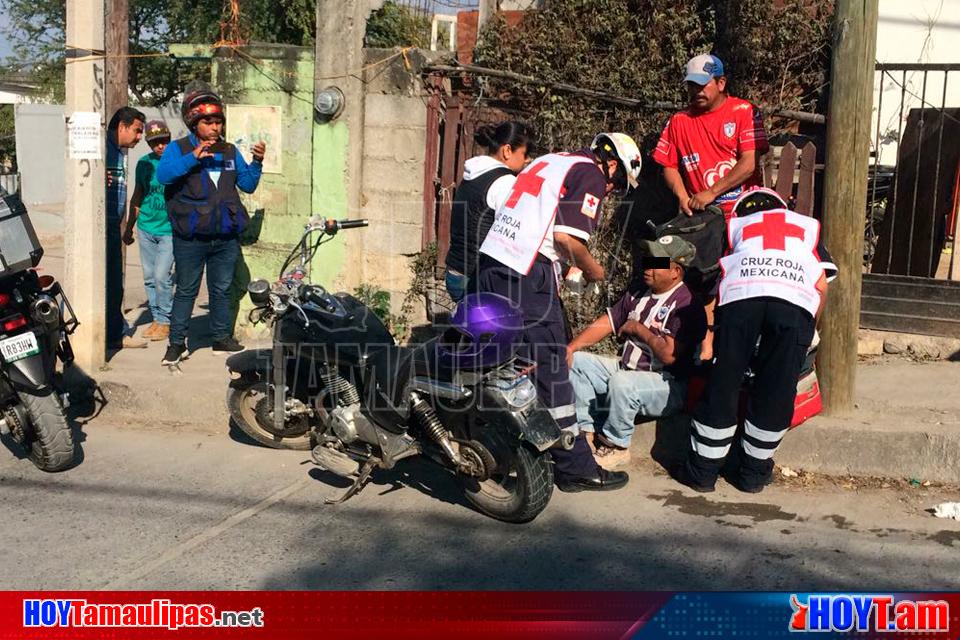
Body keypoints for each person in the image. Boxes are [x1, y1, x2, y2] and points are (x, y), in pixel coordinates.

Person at [477, 132, 642, 492]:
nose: (610, 190)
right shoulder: (591, 173)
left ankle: (514, 445)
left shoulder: (549, 160)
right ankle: (574, 467)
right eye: (616, 184)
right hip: (524, 272)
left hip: (493, 263)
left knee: (513, 364)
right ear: (612, 164)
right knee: (551, 365)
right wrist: (595, 269)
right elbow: (568, 239)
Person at [671, 187, 837, 494]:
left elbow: (718, 283)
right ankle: (753, 475)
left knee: (724, 383)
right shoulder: (804, 228)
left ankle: (702, 473)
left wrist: (712, 336)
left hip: (741, 298)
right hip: (794, 304)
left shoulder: (736, 228)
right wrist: (808, 328)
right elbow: (821, 286)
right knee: (777, 389)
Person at [652, 53, 770, 361]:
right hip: (698, 218)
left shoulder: (743, 111)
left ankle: (726, 348)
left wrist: (711, 191)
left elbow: (748, 163)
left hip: (741, 215)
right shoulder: (679, 121)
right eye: (692, 85)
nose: (697, 92)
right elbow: (667, 164)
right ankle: (685, 344)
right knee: (668, 262)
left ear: (721, 82)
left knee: (733, 280)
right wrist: (681, 194)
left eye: (703, 85)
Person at [567, 235, 707, 469]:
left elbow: (669, 356)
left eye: (657, 263)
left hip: (667, 385)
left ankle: (617, 445)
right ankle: (587, 433)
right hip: (627, 369)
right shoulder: (639, 291)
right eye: (648, 260)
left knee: (624, 382)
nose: (648, 268)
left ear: (675, 271)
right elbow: (607, 323)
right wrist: (571, 347)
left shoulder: (686, 305)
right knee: (578, 362)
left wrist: (638, 329)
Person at [156, 81, 266, 366]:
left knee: (222, 289)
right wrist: (192, 159)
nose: (215, 127)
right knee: (187, 291)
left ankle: (220, 338)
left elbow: (248, 185)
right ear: (194, 123)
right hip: (190, 239)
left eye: (218, 122)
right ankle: (176, 344)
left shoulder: (229, 151)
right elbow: (164, 176)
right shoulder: (177, 149)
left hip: (225, 238)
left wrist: (257, 162)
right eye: (208, 122)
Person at [444, 121, 534, 302]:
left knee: (468, 327)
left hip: (455, 272)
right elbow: (512, 234)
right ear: (507, 151)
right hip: (475, 279)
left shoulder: (473, 174)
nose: (528, 160)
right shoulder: (505, 182)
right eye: (525, 154)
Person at [124, 120, 174, 341]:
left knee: (163, 276)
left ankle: (166, 320)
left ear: (169, 140)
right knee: (150, 278)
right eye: (155, 143)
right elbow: (138, 195)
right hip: (146, 227)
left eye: (163, 141)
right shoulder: (144, 164)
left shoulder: (176, 162)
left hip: (169, 229)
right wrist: (129, 227)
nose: (160, 146)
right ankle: (157, 318)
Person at [106, 106, 147, 350]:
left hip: (112, 224)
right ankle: (112, 335)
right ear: (122, 126)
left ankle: (114, 331)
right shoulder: (102, 150)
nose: (140, 137)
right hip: (101, 226)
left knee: (114, 283)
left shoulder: (118, 151)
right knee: (110, 282)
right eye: (137, 131)